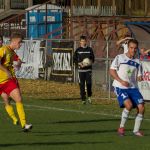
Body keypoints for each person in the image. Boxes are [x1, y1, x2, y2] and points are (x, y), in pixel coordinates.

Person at [110, 39, 145, 137]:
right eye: (131, 48)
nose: (133, 50)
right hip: (120, 87)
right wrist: (121, 81)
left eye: (135, 48)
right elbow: (112, 71)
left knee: (141, 108)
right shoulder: (119, 58)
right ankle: (121, 128)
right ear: (127, 47)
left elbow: (139, 75)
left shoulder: (138, 62)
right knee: (128, 106)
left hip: (133, 88)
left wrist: (139, 77)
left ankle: (136, 130)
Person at [0, 32, 32, 132]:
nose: (20, 44)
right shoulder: (3, 50)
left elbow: (17, 59)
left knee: (17, 99)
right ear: (14, 41)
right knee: (10, 100)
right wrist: (6, 71)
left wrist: (18, 63)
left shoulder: (12, 51)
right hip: (4, 80)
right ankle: (18, 120)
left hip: (7, 80)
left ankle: (23, 124)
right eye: (19, 42)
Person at [73, 35, 95, 104]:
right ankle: (83, 99)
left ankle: (89, 97)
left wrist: (88, 63)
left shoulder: (89, 49)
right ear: (80, 42)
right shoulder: (78, 50)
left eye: (84, 41)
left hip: (88, 70)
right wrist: (80, 64)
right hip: (81, 70)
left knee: (89, 83)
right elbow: (74, 60)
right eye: (82, 41)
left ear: (86, 41)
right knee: (81, 84)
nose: (83, 42)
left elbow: (92, 59)